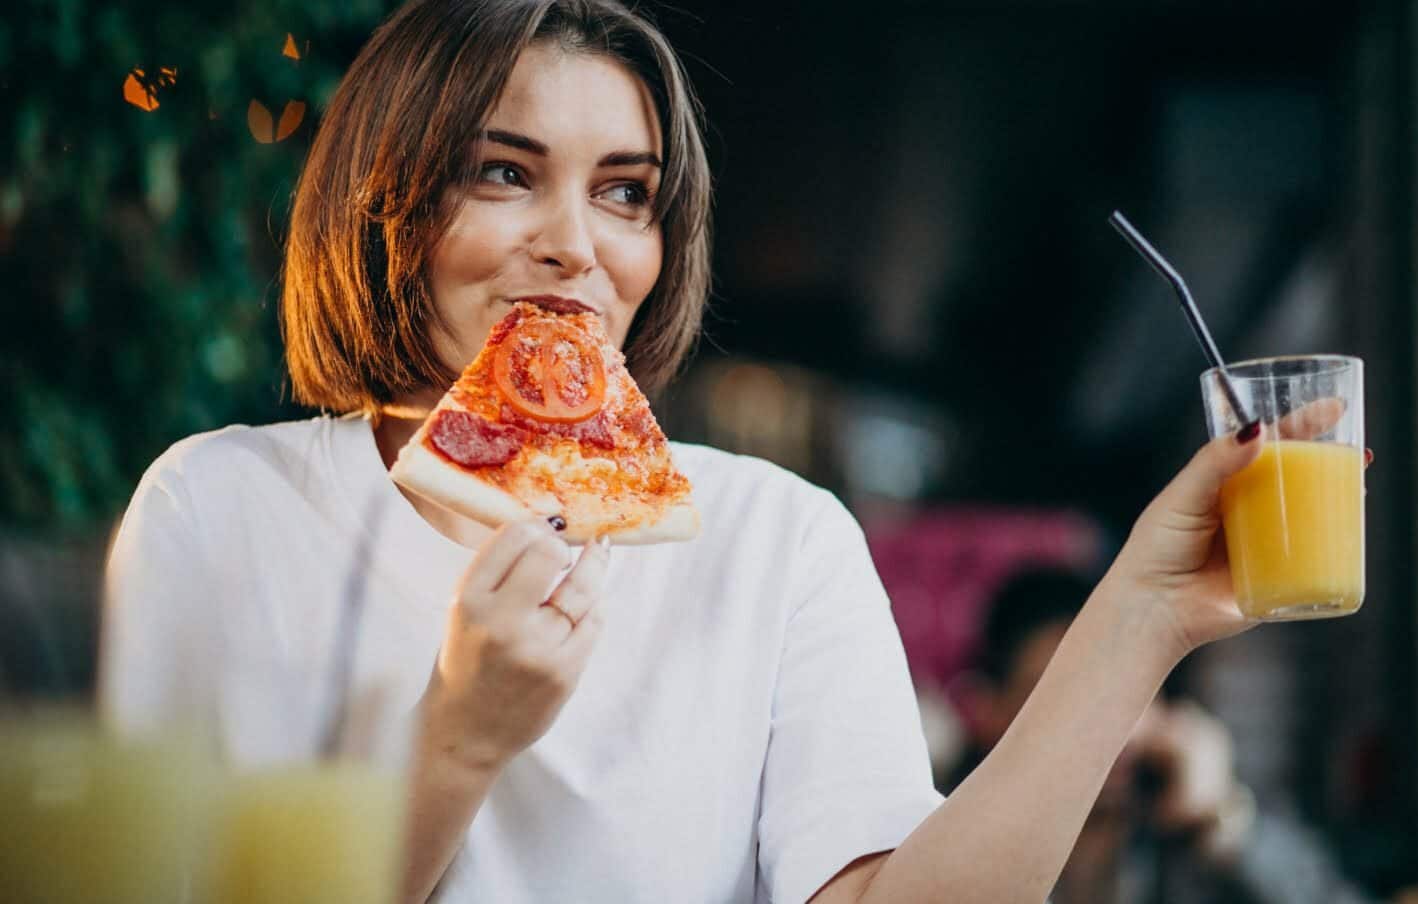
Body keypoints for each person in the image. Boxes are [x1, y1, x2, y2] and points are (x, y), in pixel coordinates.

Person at [101, 1, 1290, 901]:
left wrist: (1144, 614)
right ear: (384, 204)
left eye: (626, 195)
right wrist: (459, 738)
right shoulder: (218, 511)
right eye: (505, 173)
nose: (578, 247)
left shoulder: (783, 539)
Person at [945, 568, 1376, 904]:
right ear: (988, 712)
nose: (1103, 725)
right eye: (1057, 697)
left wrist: (1224, 823)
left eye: (1126, 688)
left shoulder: (1200, 824)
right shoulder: (945, 842)